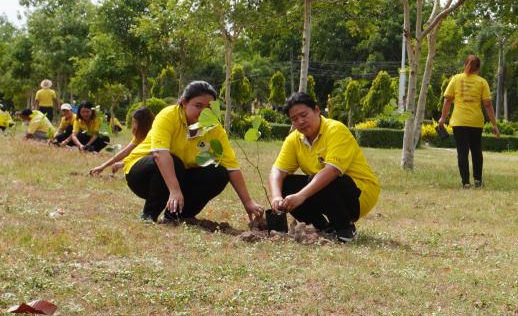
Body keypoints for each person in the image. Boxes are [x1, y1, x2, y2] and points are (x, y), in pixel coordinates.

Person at [123, 81, 264, 224]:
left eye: (209, 107)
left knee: (219, 173)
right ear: (184, 102)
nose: (204, 112)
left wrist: (248, 202)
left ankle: (176, 216)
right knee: (174, 162)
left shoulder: (214, 128)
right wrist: (175, 190)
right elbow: (160, 154)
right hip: (141, 174)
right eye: (198, 105)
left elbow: (231, 167)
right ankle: (148, 215)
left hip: (179, 175)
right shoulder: (168, 116)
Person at [269, 91, 380, 242]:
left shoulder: (335, 130)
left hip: (360, 194)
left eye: (304, 115)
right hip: (324, 189)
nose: (300, 122)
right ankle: (321, 228)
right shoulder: (294, 139)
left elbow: (332, 171)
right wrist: (276, 196)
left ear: (317, 110)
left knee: (321, 178)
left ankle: (345, 229)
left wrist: (301, 196)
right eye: (294, 119)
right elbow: (278, 170)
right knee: (286, 185)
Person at [437, 55, 500, 188]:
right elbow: (488, 104)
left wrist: (443, 118)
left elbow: (448, 100)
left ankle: (465, 183)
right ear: (478, 68)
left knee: (462, 152)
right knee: (476, 150)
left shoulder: (456, 79)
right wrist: (494, 124)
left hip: (459, 121)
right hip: (476, 122)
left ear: (465, 64)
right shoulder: (482, 82)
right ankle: (477, 181)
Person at [90, 107, 154, 176]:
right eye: (133, 122)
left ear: (143, 124)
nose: (133, 126)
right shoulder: (139, 136)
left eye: (135, 122)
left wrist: (123, 163)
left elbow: (147, 156)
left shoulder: (154, 135)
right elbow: (125, 152)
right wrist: (103, 166)